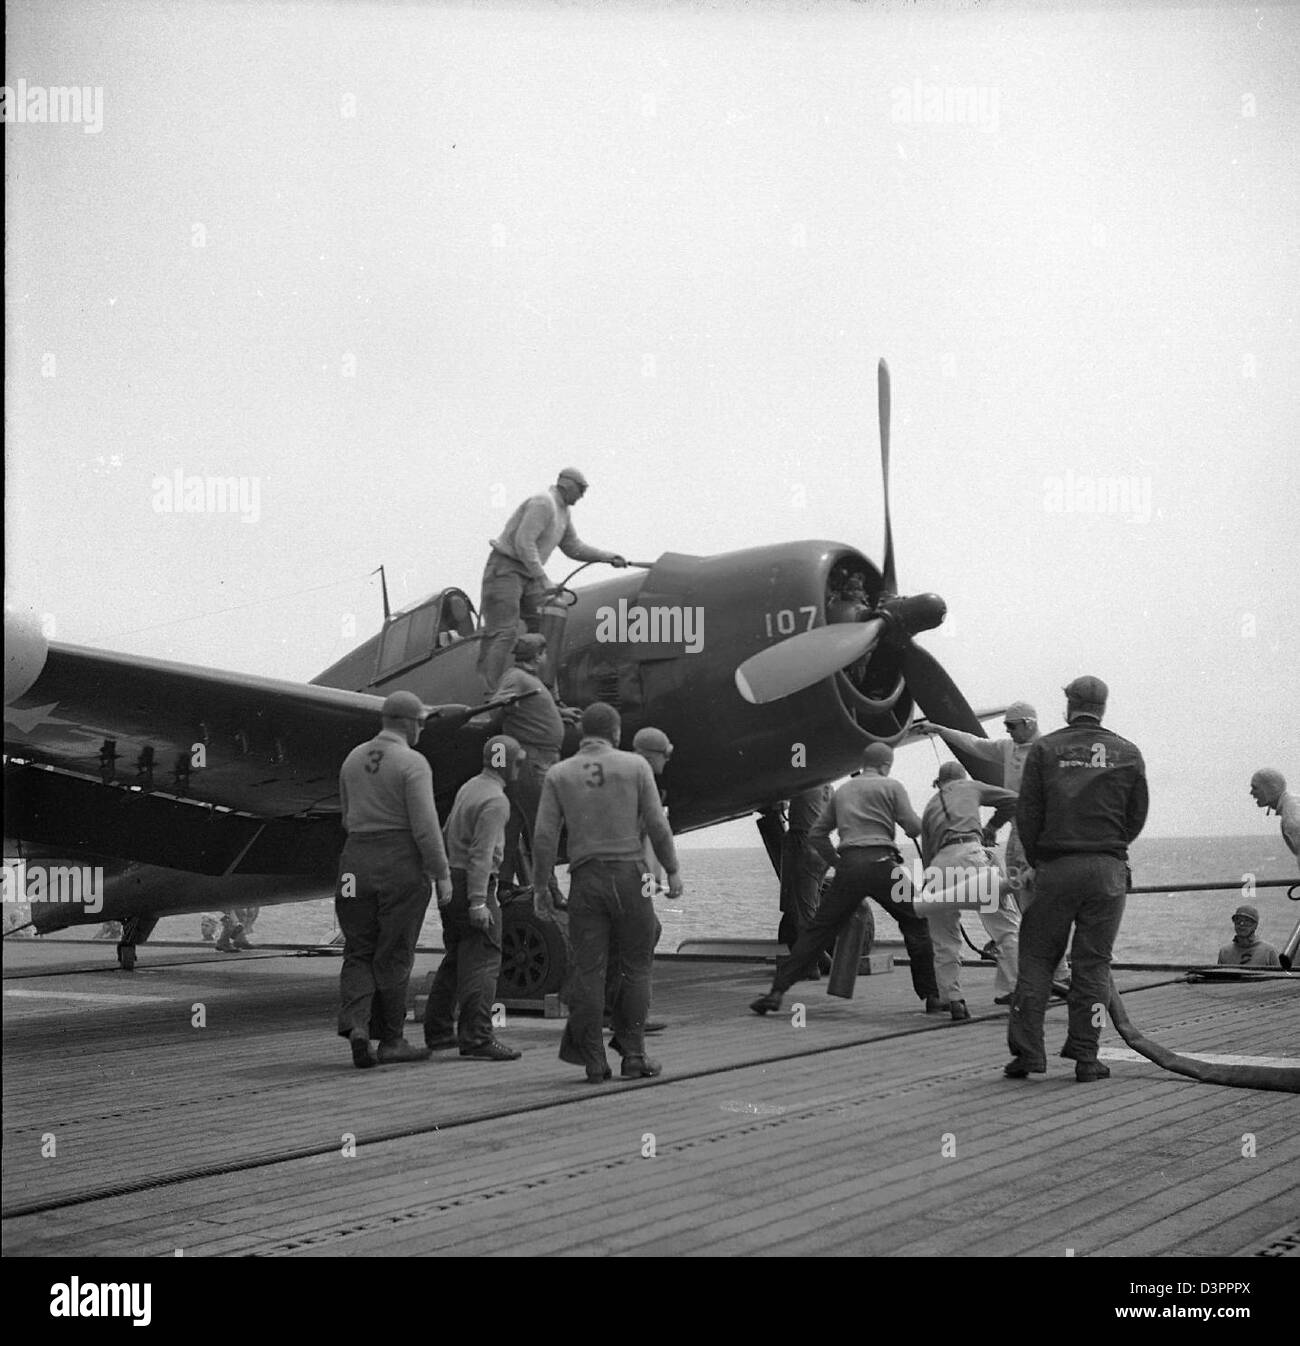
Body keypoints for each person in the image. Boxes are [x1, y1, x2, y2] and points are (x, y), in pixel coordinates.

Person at [1005, 676, 1148, 1083]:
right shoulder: (1128, 752)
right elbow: (1136, 816)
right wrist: (1109, 847)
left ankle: (1028, 1055)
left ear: (1069, 704)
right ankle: (1087, 1057)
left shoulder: (1046, 749)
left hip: (1056, 868)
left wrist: (1039, 859)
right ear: (1103, 706)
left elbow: (1027, 814)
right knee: (1093, 966)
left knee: (1036, 961)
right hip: (1107, 872)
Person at [531, 702, 682, 1083]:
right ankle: (633, 1055)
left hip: (585, 877)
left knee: (589, 971)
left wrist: (540, 887)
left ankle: (594, 1061)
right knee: (636, 968)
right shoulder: (635, 767)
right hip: (631, 874)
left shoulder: (558, 774)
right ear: (616, 734)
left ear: (583, 734)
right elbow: (657, 825)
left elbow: (545, 836)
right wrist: (674, 871)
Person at [750, 743, 942, 1016]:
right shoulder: (891, 787)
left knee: (818, 930)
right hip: (882, 865)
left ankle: (776, 993)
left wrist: (838, 863)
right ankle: (932, 995)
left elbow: (817, 835)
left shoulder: (844, 792)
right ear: (886, 764)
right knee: (916, 922)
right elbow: (912, 826)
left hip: (850, 867)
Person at [336, 690, 452, 1069]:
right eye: (419, 721)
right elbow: (425, 827)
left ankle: (355, 1026)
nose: (421, 727)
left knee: (358, 949)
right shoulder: (413, 762)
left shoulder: (352, 757)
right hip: (399, 863)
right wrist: (442, 874)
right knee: (395, 952)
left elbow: (345, 815)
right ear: (406, 722)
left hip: (354, 861)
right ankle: (391, 1039)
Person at [930, 702, 1070, 998]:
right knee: (1018, 907)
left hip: (1041, 831)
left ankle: (1055, 973)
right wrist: (941, 730)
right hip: (1020, 831)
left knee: (1037, 906)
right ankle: (1033, 978)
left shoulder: (1048, 750)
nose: (1007, 731)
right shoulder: (1009, 748)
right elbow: (975, 744)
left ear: (1029, 723)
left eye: (1012, 726)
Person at [477, 468, 627, 695]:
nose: (582, 496)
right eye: (581, 490)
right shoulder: (543, 503)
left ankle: (544, 692)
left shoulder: (563, 512)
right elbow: (523, 542)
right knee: (504, 631)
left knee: (543, 630)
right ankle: (491, 696)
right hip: (505, 569)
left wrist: (607, 557)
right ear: (567, 485)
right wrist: (543, 579)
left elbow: (573, 547)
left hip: (527, 573)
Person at [424, 735, 528, 1060]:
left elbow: (444, 833)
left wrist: (442, 880)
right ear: (508, 762)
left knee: (455, 958)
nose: (521, 767)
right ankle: (477, 1037)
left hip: (451, 880)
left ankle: (439, 1031)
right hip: (474, 883)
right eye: (519, 761)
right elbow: (482, 855)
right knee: (484, 961)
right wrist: (479, 901)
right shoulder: (497, 801)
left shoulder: (470, 787)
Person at [918, 762, 1020, 1021]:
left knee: (944, 939)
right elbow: (1014, 800)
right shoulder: (970, 785)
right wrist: (991, 828)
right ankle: (1016, 990)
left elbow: (928, 851)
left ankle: (955, 1001)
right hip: (972, 857)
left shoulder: (930, 805)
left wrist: (929, 889)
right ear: (960, 777)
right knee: (1004, 927)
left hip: (939, 866)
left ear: (939, 782)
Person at [603, 726, 674, 1044]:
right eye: (665, 755)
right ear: (652, 755)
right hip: (626, 869)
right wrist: (670, 871)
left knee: (622, 939)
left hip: (607, 870)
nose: (666, 762)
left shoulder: (619, 773)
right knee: (646, 933)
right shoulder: (639, 776)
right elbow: (649, 827)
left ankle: (611, 1010)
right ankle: (627, 1018)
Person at [489, 633, 573, 897]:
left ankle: (503, 885)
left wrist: (561, 713)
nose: (546, 657)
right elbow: (497, 704)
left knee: (513, 824)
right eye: (544, 653)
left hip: (533, 761)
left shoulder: (528, 680)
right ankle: (548, 887)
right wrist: (504, 704)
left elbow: (528, 706)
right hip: (533, 762)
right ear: (537, 655)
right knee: (543, 824)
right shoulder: (516, 677)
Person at [775, 785, 835, 977]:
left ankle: (818, 964)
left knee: (803, 914)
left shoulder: (804, 783)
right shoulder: (828, 788)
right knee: (810, 907)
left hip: (804, 845)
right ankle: (817, 962)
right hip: (823, 848)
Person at [1249, 768, 1300, 873]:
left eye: (1255, 788)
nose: (1251, 793)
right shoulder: (1293, 804)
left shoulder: (1291, 817)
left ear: (1270, 788)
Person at [1216, 904, 1282, 968]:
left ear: (1255, 925)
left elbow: (1280, 977)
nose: (1241, 924)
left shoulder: (1269, 952)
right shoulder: (1225, 952)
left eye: (1247, 921)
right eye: (1238, 920)